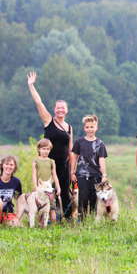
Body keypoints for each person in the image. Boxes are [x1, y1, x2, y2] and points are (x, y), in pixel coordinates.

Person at [27, 71, 73, 218]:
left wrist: (72, 170)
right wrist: (31, 85)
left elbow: (70, 149)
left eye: (63, 108)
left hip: (63, 165)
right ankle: (44, 219)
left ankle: (65, 219)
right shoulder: (48, 120)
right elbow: (38, 102)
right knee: (46, 191)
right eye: (58, 108)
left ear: (66, 110)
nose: (60, 110)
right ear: (54, 110)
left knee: (64, 192)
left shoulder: (69, 127)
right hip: (47, 163)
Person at [70, 115, 108, 220]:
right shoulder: (79, 142)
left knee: (94, 199)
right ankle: (81, 221)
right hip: (81, 175)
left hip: (95, 175)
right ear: (84, 128)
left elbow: (101, 160)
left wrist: (104, 175)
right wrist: (72, 172)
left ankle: (92, 220)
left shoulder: (100, 143)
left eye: (92, 127)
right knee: (83, 198)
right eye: (87, 127)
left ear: (96, 127)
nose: (89, 129)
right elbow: (75, 157)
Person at [32, 139, 61, 223]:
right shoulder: (35, 161)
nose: (45, 151)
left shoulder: (51, 161)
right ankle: (41, 227)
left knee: (52, 207)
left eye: (47, 149)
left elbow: (54, 175)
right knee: (40, 208)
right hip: (40, 189)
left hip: (49, 189)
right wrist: (35, 187)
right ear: (39, 149)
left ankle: (53, 226)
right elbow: (34, 175)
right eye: (43, 149)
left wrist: (58, 188)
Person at [0, 155, 22, 225]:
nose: (9, 167)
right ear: (2, 166)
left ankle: (4, 222)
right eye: (6, 164)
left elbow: (19, 199)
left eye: (11, 165)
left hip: (8, 212)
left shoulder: (16, 182)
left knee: (18, 225)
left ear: (14, 167)